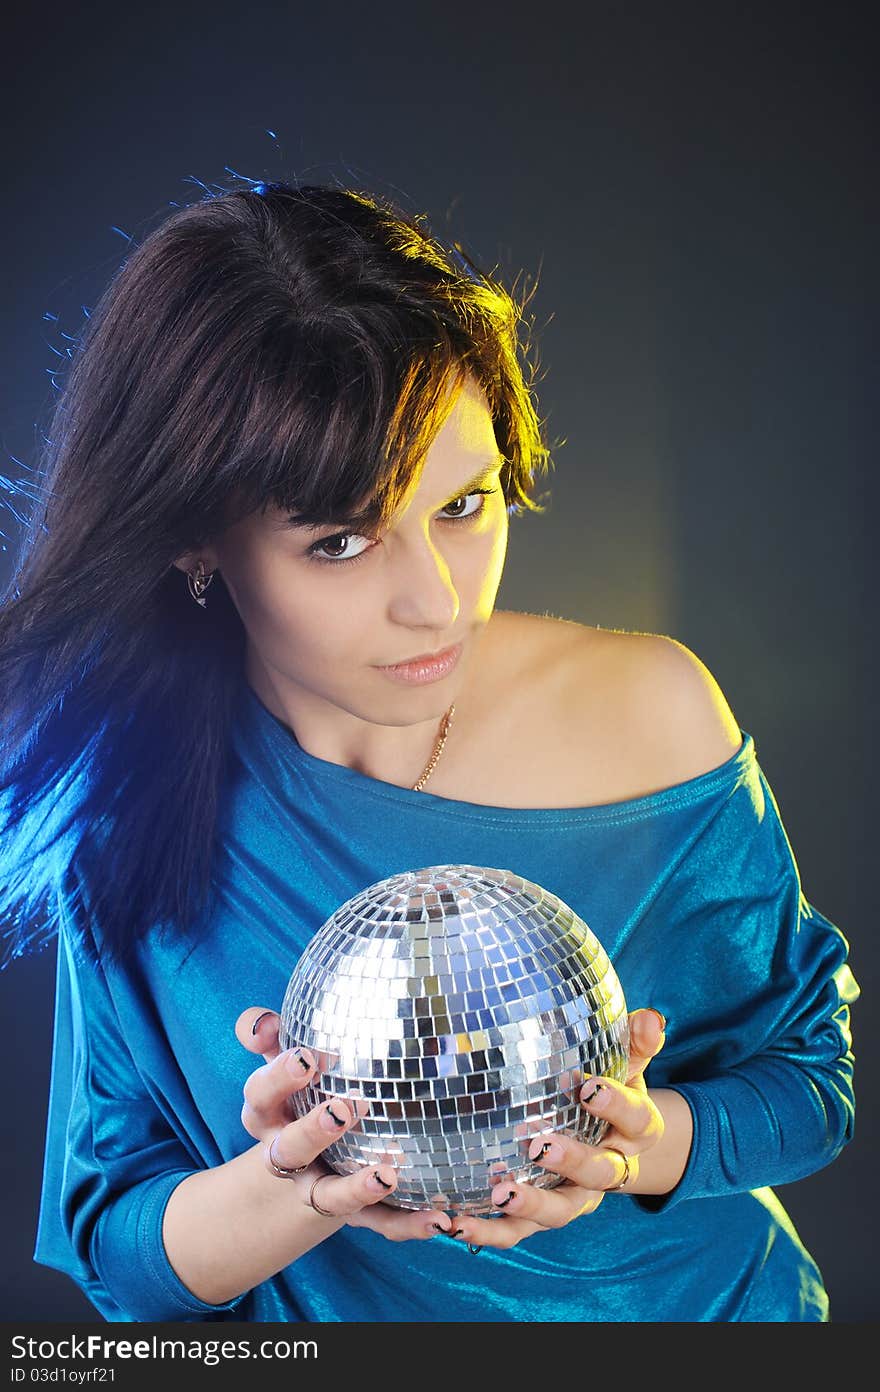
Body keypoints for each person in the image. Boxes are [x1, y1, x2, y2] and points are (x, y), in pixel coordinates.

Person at [0, 179, 858, 1324]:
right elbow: (116, 1257)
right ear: (198, 540)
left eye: (464, 504)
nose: (436, 601)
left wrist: (639, 1146)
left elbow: (811, 1085)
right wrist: (295, 1187)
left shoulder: (650, 710)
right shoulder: (129, 796)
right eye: (342, 539)